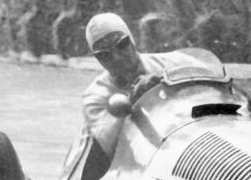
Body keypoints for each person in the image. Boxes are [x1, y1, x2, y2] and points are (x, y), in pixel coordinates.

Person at [80, 12, 204, 155]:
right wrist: (132, 101)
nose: (116, 57)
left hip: (188, 144)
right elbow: (108, 143)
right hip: (139, 160)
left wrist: (171, 82)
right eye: (103, 54)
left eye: (121, 45)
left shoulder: (175, 63)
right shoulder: (95, 96)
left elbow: (217, 82)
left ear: (132, 41)